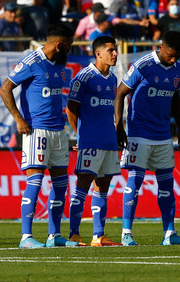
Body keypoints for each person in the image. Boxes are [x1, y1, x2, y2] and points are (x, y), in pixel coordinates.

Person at [0, 23, 81, 248]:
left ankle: (54, 236)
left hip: (58, 131)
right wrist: (19, 119)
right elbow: (5, 88)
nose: (71, 49)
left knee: (61, 184)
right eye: (69, 45)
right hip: (36, 130)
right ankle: (26, 237)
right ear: (59, 45)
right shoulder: (32, 61)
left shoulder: (59, 64)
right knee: (35, 181)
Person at [114, 31, 180, 246]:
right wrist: (119, 126)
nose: (174, 59)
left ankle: (169, 233)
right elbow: (120, 93)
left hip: (163, 135)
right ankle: (126, 233)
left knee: (167, 184)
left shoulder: (179, 70)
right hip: (139, 133)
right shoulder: (143, 65)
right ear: (161, 47)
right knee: (134, 182)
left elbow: (176, 100)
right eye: (170, 55)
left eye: (178, 55)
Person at [66, 35, 123, 247]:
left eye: (115, 50)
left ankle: (98, 235)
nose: (115, 54)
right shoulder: (84, 77)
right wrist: (80, 135)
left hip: (109, 141)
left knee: (103, 187)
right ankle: (74, 234)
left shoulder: (113, 79)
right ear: (98, 53)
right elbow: (71, 109)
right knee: (82, 186)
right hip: (90, 141)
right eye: (111, 50)